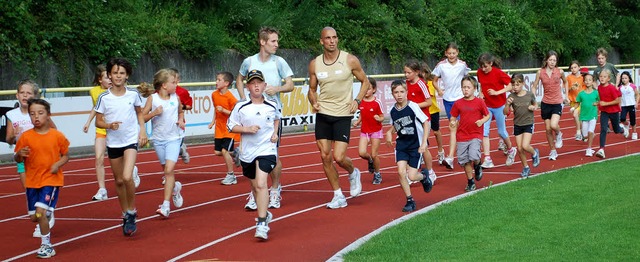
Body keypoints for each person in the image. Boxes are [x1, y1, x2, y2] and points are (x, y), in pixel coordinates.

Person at [307, 27, 370, 209]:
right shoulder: (315, 64)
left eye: (335, 37)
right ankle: (338, 195)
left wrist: (357, 100)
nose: (332, 41)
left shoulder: (349, 60)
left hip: (343, 113)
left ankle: (353, 171)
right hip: (323, 113)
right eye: (328, 38)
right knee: (325, 156)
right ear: (322, 41)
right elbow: (312, 89)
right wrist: (314, 101)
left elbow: (365, 81)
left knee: (339, 157)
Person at [237, 26, 294, 209]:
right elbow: (240, 79)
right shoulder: (249, 61)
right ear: (263, 42)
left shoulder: (279, 62)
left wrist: (276, 89)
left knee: (272, 154)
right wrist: (243, 98)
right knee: (251, 154)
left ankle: (275, 190)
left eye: (277, 41)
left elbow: (290, 84)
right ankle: (256, 192)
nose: (277, 44)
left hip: (272, 115)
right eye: (273, 41)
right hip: (252, 115)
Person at [94, 57, 148, 236]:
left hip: (130, 139)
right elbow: (99, 121)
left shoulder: (133, 95)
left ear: (127, 76)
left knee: (126, 177)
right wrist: (109, 126)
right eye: (115, 73)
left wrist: (142, 132)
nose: (118, 76)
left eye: (122, 73)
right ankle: (125, 212)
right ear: (109, 75)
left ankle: (132, 211)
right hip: (113, 141)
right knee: (118, 181)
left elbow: (140, 114)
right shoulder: (104, 97)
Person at [228, 69, 280, 240]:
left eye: (259, 83)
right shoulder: (240, 106)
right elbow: (231, 126)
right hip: (247, 152)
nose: (256, 86)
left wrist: (275, 133)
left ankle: (262, 222)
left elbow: (276, 119)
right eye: (253, 83)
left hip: (267, 149)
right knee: (256, 188)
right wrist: (246, 129)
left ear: (264, 85)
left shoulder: (272, 105)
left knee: (261, 183)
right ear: (248, 86)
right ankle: (264, 212)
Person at [14, 98, 70, 258]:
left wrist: (57, 164)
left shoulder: (57, 136)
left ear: (48, 115)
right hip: (32, 181)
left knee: (39, 213)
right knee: (34, 217)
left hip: (51, 180)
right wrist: (19, 155)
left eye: (40, 113)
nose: (36, 117)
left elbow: (66, 156)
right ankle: (45, 213)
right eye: (32, 114)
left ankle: (47, 246)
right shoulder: (25, 137)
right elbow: (17, 159)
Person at [6, 80, 57, 238]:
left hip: (42, 159)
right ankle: (42, 213)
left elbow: (54, 129)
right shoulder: (12, 115)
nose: (25, 96)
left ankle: (46, 213)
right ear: (17, 95)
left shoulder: (39, 112)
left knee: (42, 188)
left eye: (29, 93)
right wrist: (14, 135)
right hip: (23, 159)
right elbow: (8, 139)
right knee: (30, 190)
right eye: (22, 93)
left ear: (34, 96)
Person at [140, 69, 185, 218]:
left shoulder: (175, 97)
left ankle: (165, 205)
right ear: (164, 85)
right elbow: (142, 117)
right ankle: (175, 188)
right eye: (173, 82)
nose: (176, 84)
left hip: (174, 139)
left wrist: (181, 120)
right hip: (158, 140)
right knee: (167, 172)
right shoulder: (153, 99)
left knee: (168, 170)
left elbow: (180, 111)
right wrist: (153, 113)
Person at [384, 80, 434, 212]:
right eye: (396, 92)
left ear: (406, 92)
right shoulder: (393, 110)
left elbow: (426, 123)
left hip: (415, 145)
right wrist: (389, 132)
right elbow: (396, 125)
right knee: (401, 172)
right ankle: (410, 200)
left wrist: (424, 143)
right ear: (392, 94)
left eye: (401, 92)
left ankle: (424, 177)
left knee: (412, 176)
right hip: (401, 145)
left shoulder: (413, 106)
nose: (399, 95)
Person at [432, 42, 471, 169]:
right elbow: (434, 80)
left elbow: (468, 78)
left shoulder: (462, 65)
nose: (451, 55)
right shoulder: (441, 66)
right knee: (453, 127)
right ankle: (450, 157)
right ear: (445, 53)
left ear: (457, 53)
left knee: (461, 126)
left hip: (461, 99)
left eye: (454, 53)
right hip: (448, 100)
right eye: (449, 53)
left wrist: (468, 92)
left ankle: (463, 152)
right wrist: (438, 89)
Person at [449, 76, 490, 192]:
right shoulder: (458, 103)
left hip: (475, 134)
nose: (465, 90)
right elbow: (453, 116)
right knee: (465, 160)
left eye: (468, 87)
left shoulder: (479, 102)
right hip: (462, 135)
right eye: (463, 87)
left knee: (474, 155)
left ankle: (477, 165)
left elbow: (487, 115)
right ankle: (470, 181)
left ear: (474, 88)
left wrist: (482, 121)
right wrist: (453, 121)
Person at [476, 53, 516, 168]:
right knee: (484, 131)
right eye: (481, 67)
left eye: (485, 66)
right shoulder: (479, 73)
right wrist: (481, 93)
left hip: (499, 106)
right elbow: (481, 85)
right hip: (486, 106)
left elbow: (510, 85)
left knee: (501, 132)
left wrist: (497, 92)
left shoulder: (498, 73)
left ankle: (510, 149)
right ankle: (487, 158)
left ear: (491, 63)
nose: (483, 69)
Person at [403, 60, 437, 182]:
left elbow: (428, 102)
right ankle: (412, 173)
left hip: (423, 120)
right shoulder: (406, 84)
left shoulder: (421, 84)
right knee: (409, 146)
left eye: (408, 73)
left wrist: (414, 106)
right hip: (410, 120)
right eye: (405, 72)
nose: (406, 75)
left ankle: (431, 172)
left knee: (423, 147)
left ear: (416, 72)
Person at [530, 50, 568, 161]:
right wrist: (533, 99)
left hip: (557, 102)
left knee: (553, 125)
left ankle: (559, 133)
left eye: (554, 60)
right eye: (550, 60)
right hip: (545, 103)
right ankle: (553, 151)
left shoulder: (559, 72)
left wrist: (566, 95)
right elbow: (534, 86)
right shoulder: (540, 72)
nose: (552, 62)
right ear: (546, 60)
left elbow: (565, 82)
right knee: (547, 129)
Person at [82, 65, 112, 201]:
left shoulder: (117, 90)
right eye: (107, 77)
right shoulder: (94, 92)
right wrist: (88, 122)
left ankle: (132, 170)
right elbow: (96, 107)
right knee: (99, 157)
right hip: (101, 128)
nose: (110, 79)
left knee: (119, 159)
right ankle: (102, 189)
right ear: (100, 80)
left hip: (116, 130)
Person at [504, 74, 540, 178]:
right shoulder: (511, 97)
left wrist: (533, 107)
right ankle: (526, 167)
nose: (515, 87)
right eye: (513, 85)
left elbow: (536, 104)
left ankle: (534, 153)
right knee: (519, 149)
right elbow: (505, 112)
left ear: (523, 84)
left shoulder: (529, 95)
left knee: (525, 146)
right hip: (517, 124)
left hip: (528, 123)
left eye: (518, 84)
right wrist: (507, 104)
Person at [208, 72, 239, 187]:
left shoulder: (231, 98)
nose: (216, 82)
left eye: (219, 80)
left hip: (229, 128)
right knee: (218, 152)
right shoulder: (214, 95)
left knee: (225, 151)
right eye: (216, 79)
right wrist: (212, 121)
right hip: (219, 128)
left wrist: (224, 111)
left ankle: (231, 175)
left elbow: (236, 114)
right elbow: (216, 110)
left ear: (226, 83)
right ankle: (235, 153)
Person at [352, 77, 384, 184]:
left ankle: (377, 174)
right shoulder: (360, 102)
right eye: (364, 88)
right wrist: (358, 121)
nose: (366, 91)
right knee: (361, 153)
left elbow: (382, 116)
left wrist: (379, 118)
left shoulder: (377, 102)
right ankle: (370, 160)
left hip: (376, 130)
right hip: (364, 131)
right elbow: (362, 114)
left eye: (369, 88)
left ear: (374, 90)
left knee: (375, 154)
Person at [595, 69, 628, 158]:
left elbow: (617, 100)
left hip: (614, 111)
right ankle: (601, 149)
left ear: (609, 78)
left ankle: (622, 129)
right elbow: (601, 98)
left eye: (604, 77)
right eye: (601, 76)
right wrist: (597, 103)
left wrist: (606, 103)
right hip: (604, 112)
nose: (602, 78)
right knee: (603, 129)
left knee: (616, 130)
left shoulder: (611, 88)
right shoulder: (599, 87)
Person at [170, 68, 193, 164]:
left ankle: (181, 149)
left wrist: (180, 106)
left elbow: (189, 106)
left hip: (178, 123)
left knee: (174, 150)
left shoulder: (182, 92)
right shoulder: (160, 91)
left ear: (178, 80)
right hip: (164, 123)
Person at [575, 73, 600, 156]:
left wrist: (597, 103)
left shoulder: (596, 93)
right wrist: (573, 108)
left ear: (593, 82)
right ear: (584, 82)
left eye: (590, 80)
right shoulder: (581, 94)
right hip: (584, 116)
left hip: (593, 115)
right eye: (586, 80)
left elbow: (600, 101)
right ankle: (590, 137)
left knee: (590, 132)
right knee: (585, 136)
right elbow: (577, 103)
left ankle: (589, 149)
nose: (588, 81)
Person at [566, 61, 587, 140]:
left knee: (575, 115)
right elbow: (566, 89)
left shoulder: (582, 77)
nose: (573, 69)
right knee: (579, 118)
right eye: (571, 68)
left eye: (575, 67)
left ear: (579, 67)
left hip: (581, 101)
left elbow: (585, 88)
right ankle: (584, 133)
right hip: (573, 101)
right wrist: (571, 88)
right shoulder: (568, 77)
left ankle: (578, 132)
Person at [618, 71, 638, 140]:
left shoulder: (632, 86)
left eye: (625, 78)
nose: (624, 79)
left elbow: (637, 94)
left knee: (633, 120)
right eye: (622, 78)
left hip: (631, 105)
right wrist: (619, 104)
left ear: (629, 78)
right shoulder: (620, 87)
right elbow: (619, 97)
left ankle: (634, 132)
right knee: (622, 118)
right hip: (624, 105)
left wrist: (636, 102)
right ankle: (626, 124)